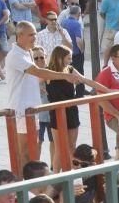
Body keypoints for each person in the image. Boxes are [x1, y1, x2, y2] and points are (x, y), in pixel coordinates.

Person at [7, 21, 81, 170]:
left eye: (35, 34)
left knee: (32, 151)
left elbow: (35, 77)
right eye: (31, 34)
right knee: (23, 152)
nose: (35, 37)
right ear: (20, 36)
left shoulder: (27, 52)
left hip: (32, 110)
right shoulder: (15, 55)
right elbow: (38, 72)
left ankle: (30, 187)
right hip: (21, 111)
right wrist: (64, 76)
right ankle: (22, 188)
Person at [45, 44, 109, 170]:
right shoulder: (48, 71)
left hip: (72, 111)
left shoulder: (70, 69)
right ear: (60, 58)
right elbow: (38, 79)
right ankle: (55, 177)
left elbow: (86, 80)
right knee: (59, 148)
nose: (71, 61)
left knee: (71, 146)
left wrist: (107, 90)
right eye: (68, 58)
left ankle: (72, 176)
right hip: (57, 112)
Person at [61, 5, 85, 97]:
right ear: (78, 14)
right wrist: (81, 50)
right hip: (75, 53)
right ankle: (80, 94)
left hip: (65, 52)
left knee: (67, 72)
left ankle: (69, 93)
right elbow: (78, 39)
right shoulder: (77, 24)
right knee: (79, 73)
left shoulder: (63, 22)